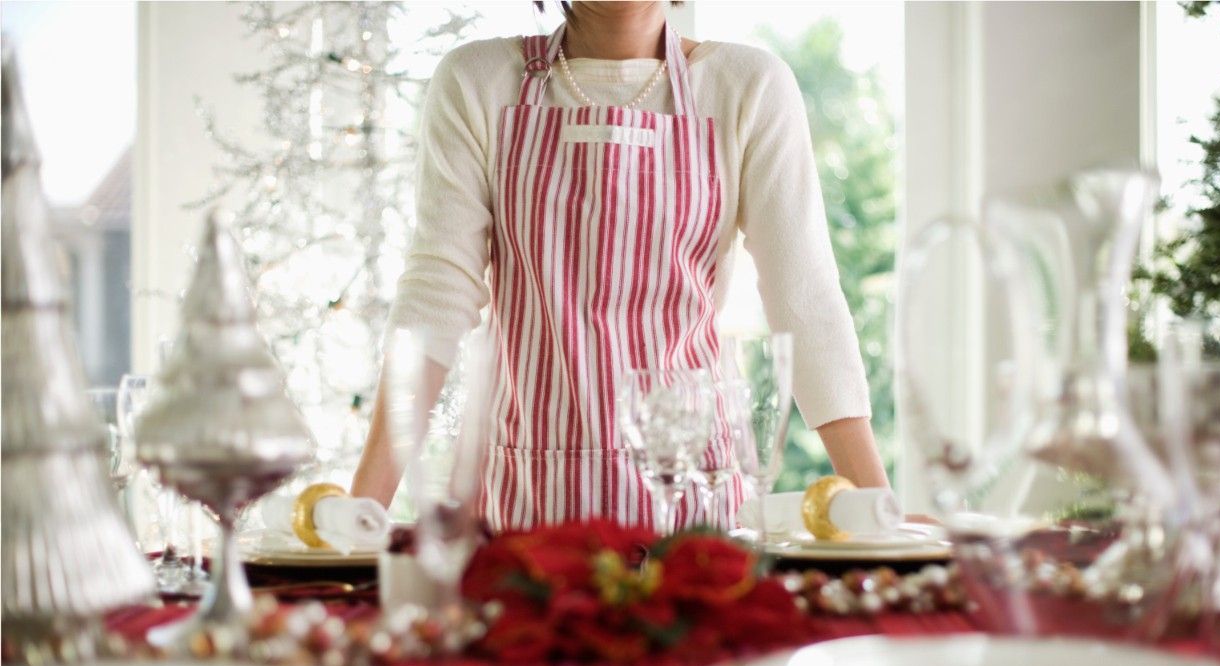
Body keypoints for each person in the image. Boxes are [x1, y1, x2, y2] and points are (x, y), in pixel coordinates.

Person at [352, 0, 890, 531]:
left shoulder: (746, 84)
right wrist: (362, 515)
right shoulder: (478, 81)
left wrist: (878, 512)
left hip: (693, 507)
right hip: (523, 507)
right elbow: (437, 293)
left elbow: (804, 300)